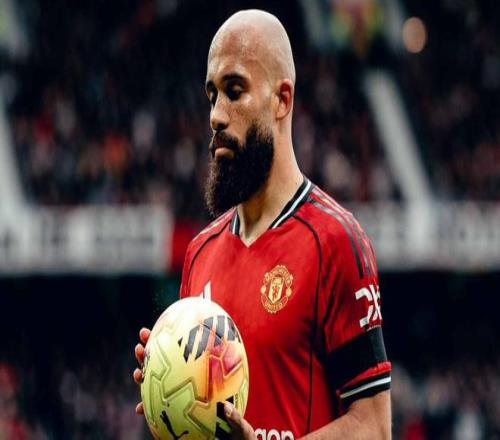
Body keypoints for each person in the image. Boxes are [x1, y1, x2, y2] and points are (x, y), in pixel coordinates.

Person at [134, 9, 391, 439]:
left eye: (234, 91)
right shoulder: (199, 253)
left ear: (281, 99)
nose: (216, 115)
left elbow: (375, 427)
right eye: (212, 96)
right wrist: (171, 402)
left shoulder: (335, 242)